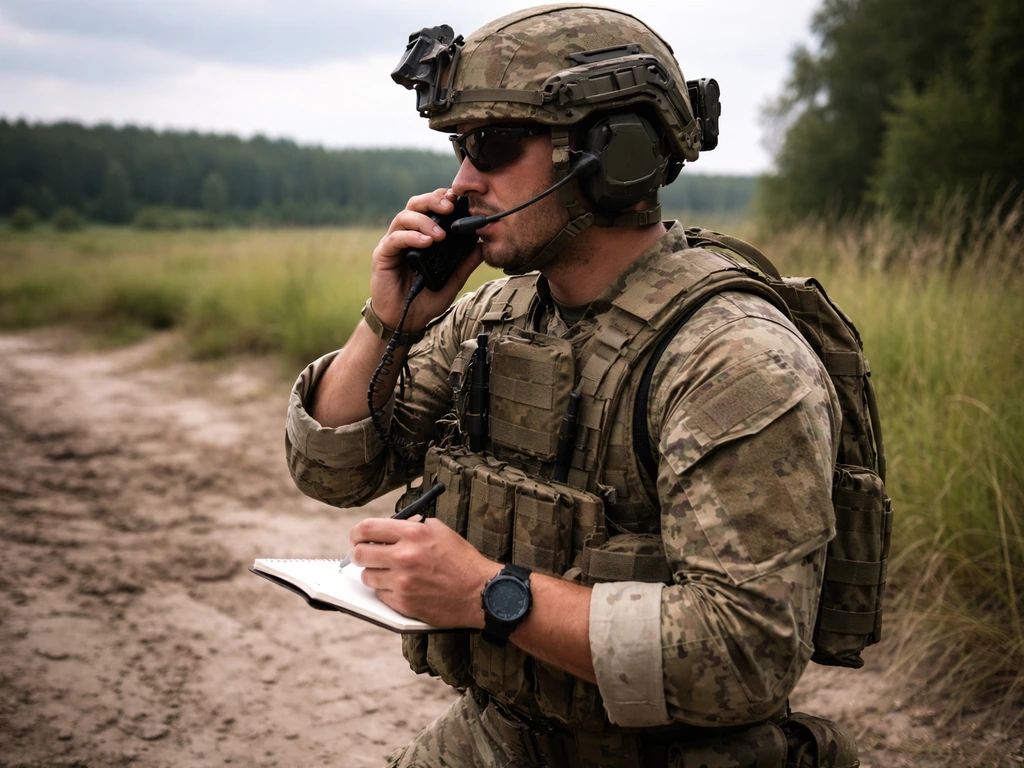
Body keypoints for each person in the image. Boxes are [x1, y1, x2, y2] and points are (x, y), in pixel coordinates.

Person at [285, 6, 842, 767]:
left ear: (613, 154)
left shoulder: (731, 360)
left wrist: (487, 594)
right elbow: (334, 471)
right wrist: (391, 319)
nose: (461, 181)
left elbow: (745, 658)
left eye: (493, 145)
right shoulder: (492, 317)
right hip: (502, 736)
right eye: (459, 146)